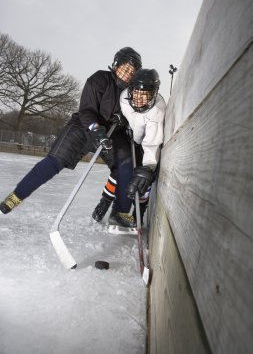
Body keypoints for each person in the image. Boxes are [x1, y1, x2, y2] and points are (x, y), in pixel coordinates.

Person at [0, 47, 142, 227]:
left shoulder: (132, 93)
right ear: (116, 65)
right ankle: (16, 196)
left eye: (132, 71)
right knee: (55, 161)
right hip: (84, 126)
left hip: (112, 133)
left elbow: (137, 117)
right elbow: (87, 110)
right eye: (124, 68)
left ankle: (118, 211)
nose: (127, 73)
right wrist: (95, 128)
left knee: (125, 164)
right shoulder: (100, 79)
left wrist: (125, 121)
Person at [92, 68, 166, 226]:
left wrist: (148, 167)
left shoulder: (156, 114)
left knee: (143, 179)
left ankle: (139, 211)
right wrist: (120, 119)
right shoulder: (124, 97)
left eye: (144, 94)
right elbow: (118, 110)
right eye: (136, 92)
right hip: (126, 136)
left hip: (143, 144)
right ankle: (105, 202)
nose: (138, 98)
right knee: (121, 169)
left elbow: (151, 144)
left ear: (153, 94)